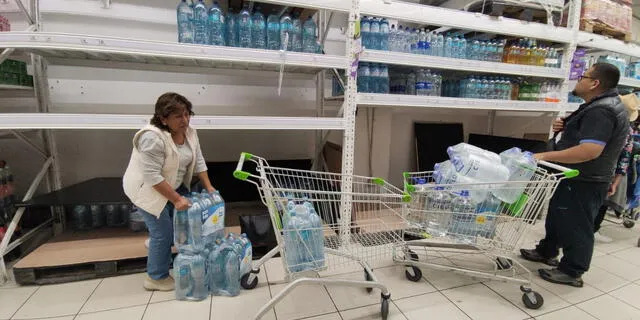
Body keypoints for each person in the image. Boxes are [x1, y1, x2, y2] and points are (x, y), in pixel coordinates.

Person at [520, 63, 629, 287]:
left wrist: (544, 156)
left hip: (585, 179)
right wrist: (566, 126)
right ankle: (547, 250)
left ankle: (572, 271)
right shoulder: (596, 105)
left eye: (583, 76)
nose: (578, 80)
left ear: (594, 83)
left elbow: (589, 151)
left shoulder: (602, 110)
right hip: (576, 176)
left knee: (576, 224)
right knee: (559, 216)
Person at [123, 92, 215, 291]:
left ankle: (159, 247)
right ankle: (155, 277)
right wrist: (176, 199)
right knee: (162, 232)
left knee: (184, 225)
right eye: (178, 116)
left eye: (187, 114)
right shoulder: (152, 138)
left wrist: (209, 187)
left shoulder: (189, 131)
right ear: (163, 119)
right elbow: (152, 177)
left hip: (174, 184)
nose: (185, 120)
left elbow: (199, 160)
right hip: (148, 190)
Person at [594, 93, 640, 243]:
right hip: (607, 172)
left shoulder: (607, 124)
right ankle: (592, 230)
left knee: (593, 204)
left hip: (596, 170)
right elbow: (625, 159)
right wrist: (617, 180)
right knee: (601, 203)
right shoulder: (627, 131)